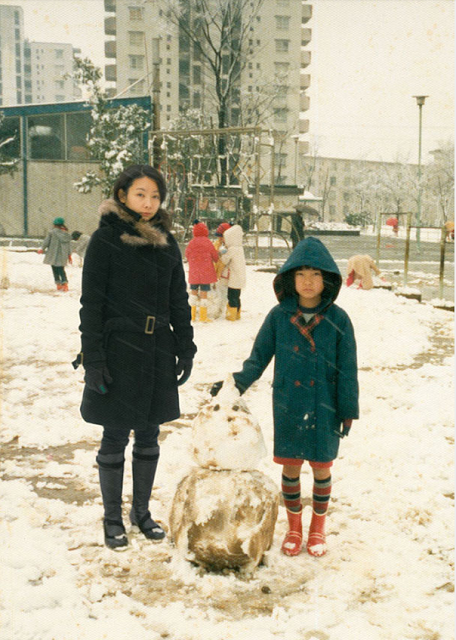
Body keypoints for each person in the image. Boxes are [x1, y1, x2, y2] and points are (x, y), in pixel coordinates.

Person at [73, 164, 197, 550]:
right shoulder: (106, 239)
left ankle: (140, 513)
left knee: (149, 432)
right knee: (115, 433)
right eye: (140, 194)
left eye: (155, 196)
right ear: (123, 194)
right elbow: (91, 304)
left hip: (158, 347)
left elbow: (179, 297)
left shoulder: (166, 241)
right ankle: (112, 518)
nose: (148, 202)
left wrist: (185, 345)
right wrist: (93, 358)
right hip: (119, 349)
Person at [211, 237, 359, 557]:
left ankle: (317, 529)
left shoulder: (339, 319)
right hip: (289, 405)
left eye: (316, 274)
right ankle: (294, 528)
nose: (308, 282)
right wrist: (234, 384)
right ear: (290, 278)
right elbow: (258, 358)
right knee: (290, 468)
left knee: (321, 468)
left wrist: (348, 408)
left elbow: (348, 368)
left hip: (326, 408)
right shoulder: (279, 317)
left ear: (328, 279)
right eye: (301, 274)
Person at [185, 220, 219, 322]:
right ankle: (203, 316)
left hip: (194, 273)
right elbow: (215, 257)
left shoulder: (191, 243)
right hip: (206, 273)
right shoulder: (208, 242)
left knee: (193, 292)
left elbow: (187, 254)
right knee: (204, 293)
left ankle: (192, 315)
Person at [219, 223, 246, 321]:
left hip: (234, 278)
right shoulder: (239, 248)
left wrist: (222, 254)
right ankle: (237, 313)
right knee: (237, 296)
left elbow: (225, 260)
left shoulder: (232, 249)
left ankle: (232, 315)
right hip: (240, 277)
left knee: (231, 297)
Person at [38, 217, 72, 291]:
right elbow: (69, 246)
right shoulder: (66, 234)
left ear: (54, 224)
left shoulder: (52, 233)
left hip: (53, 254)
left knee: (54, 269)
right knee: (61, 269)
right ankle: (65, 284)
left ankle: (58, 284)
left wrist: (42, 249)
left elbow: (46, 241)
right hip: (62, 255)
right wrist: (69, 255)